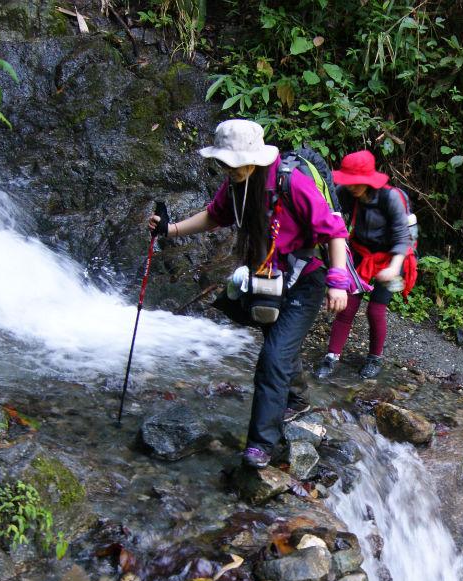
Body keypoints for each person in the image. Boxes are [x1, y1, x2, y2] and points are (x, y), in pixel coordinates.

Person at [149, 119, 352, 468]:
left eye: (234, 161)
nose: (228, 168)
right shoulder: (236, 186)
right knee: (279, 344)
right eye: (223, 162)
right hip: (267, 281)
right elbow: (215, 217)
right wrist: (171, 230)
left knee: (272, 357)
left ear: (254, 157)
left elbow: (335, 230)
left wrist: (338, 280)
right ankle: (298, 398)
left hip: (305, 280)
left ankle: (261, 444)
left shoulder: (292, 184)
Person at [316, 150, 417, 380]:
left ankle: (375, 357)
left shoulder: (390, 198)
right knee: (347, 306)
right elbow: (333, 221)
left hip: (393, 258)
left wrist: (393, 268)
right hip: (360, 253)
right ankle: (332, 357)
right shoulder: (345, 193)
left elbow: (403, 238)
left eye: (355, 182)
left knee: (376, 310)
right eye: (347, 181)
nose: (350, 186)